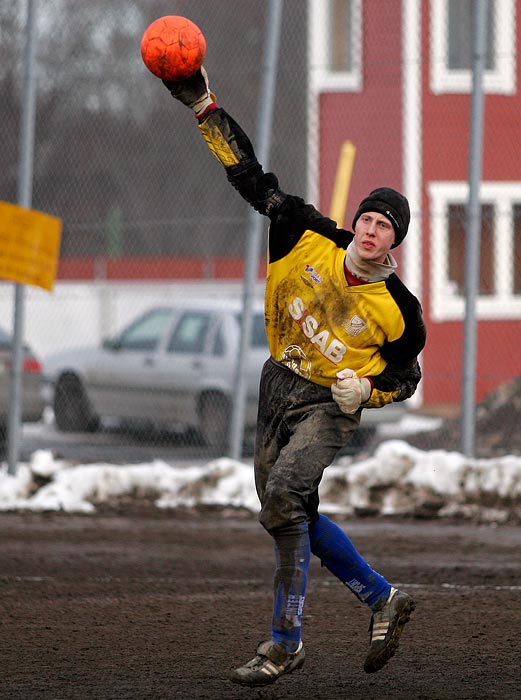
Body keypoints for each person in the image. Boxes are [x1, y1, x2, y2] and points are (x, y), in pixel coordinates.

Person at [160, 67, 426, 687]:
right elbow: (249, 177)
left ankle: (284, 642)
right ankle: (381, 597)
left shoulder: (401, 311)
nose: (369, 228)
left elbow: (406, 375)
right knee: (289, 511)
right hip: (277, 383)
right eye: (366, 217)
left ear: (394, 244)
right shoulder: (305, 235)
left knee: (283, 497)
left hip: (328, 405)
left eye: (384, 225)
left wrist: (370, 390)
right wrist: (204, 107)